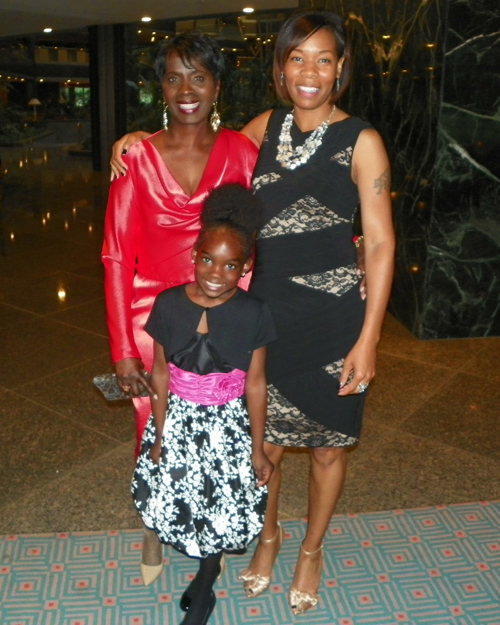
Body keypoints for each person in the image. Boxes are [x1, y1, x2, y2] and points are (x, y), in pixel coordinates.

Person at [110, 9, 394, 616]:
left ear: (341, 67)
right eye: (297, 58)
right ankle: (268, 537)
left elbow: (380, 242)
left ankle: (311, 551)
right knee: (260, 441)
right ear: (280, 69)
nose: (309, 71)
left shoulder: (363, 140)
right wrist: (133, 138)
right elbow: (201, 140)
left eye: (323, 58)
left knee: (325, 447)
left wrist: (369, 338)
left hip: (334, 316)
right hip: (263, 313)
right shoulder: (263, 129)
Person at [102, 32, 258, 585]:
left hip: (222, 308)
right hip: (154, 318)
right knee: (157, 427)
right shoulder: (137, 157)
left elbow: (249, 241)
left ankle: (209, 520)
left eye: (199, 77)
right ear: (160, 88)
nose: (185, 89)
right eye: (173, 77)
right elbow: (117, 257)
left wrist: (243, 321)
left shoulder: (241, 150)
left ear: (217, 86)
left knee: (216, 426)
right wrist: (124, 349)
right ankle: (153, 525)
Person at [131, 184, 276, 625]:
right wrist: (158, 433)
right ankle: (199, 563)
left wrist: (256, 449)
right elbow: (158, 372)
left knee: (223, 499)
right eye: (208, 259)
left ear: (245, 266)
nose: (217, 272)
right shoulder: (169, 304)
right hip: (178, 417)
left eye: (231, 265)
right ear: (194, 255)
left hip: (229, 424)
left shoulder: (254, 311)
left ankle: (207, 578)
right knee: (182, 494)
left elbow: (255, 383)